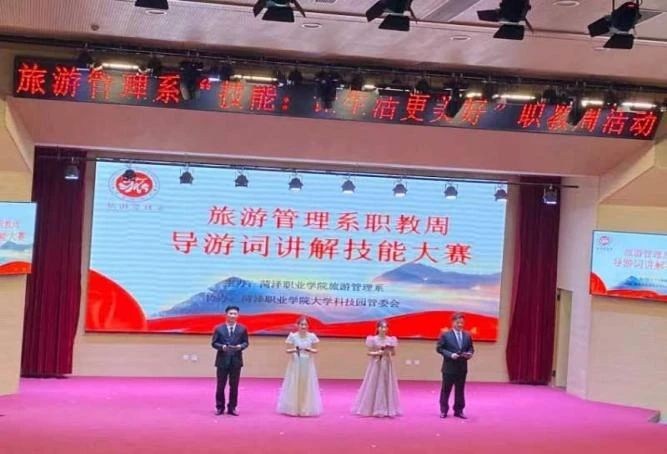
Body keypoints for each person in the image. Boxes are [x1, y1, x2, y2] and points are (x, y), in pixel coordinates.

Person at [352, 320, 401, 418]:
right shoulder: (373, 339)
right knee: (374, 383)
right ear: (378, 328)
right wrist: (378, 353)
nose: (384, 329)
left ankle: (387, 408)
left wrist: (388, 352)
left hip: (387, 364)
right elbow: (369, 352)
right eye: (382, 327)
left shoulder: (391, 339)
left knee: (386, 383)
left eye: (386, 327)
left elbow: (394, 353)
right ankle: (373, 408)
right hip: (376, 364)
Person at [276, 316, 322, 417]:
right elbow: (287, 350)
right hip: (295, 362)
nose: (303, 326)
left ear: (308, 326)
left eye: (305, 324)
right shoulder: (292, 336)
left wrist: (309, 350)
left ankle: (305, 407)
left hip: (308, 363)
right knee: (294, 383)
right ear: (297, 325)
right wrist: (296, 350)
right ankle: (293, 407)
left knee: (306, 384)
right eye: (301, 324)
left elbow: (316, 350)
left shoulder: (312, 336)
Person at [211, 305, 249, 416]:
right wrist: (222, 347)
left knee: (234, 386)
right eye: (230, 313)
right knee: (220, 386)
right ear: (226, 314)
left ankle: (232, 408)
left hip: (236, 361)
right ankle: (220, 407)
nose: (232, 315)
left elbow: (246, 342)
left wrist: (240, 346)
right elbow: (214, 343)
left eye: (235, 314)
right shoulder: (219, 328)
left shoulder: (242, 329)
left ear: (238, 315)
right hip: (222, 361)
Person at [436, 312, 474, 419]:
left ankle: (459, 410)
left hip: (462, 367)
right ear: (453, 323)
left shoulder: (467, 336)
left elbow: (471, 348)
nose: (460, 325)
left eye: (462, 323)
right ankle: (443, 410)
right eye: (458, 322)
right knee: (446, 390)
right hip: (449, 367)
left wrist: (470, 354)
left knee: (460, 390)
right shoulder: (446, 335)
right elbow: (439, 348)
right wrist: (450, 355)